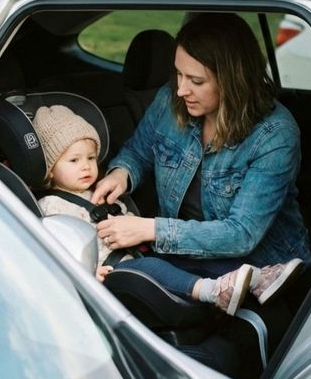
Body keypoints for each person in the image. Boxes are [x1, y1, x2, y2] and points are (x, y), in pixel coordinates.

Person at [91, 11, 310, 311]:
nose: (181, 89)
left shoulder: (274, 134)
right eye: (178, 74)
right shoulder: (172, 100)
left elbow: (241, 233)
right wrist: (120, 173)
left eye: (195, 80)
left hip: (261, 269)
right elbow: (140, 151)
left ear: (233, 81)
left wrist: (150, 229)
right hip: (187, 256)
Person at [33, 103, 260, 314]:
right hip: (113, 271)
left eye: (91, 158)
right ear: (50, 170)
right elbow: (59, 251)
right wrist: (87, 273)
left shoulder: (101, 191)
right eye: (74, 161)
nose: (86, 166)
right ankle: (211, 291)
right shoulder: (51, 205)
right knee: (152, 267)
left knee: (189, 258)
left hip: (139, 253)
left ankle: (256, 279)